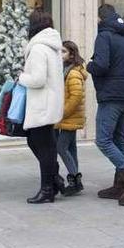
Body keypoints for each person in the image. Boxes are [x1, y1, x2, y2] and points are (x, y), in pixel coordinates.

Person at [87, 4, 124, 205]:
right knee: (120, 140)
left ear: (100, 18)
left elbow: (101, 65)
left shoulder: (104, 36)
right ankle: (120, 185)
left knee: (103, 140)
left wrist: (89, 65)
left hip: (111, 95)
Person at [19, 11, 66, 204]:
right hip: (49, 103)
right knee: (42, 144)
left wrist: (21, 77)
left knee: (43, 146)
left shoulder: (39, 48)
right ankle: (54, 180)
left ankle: (48, 188)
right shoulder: (52, 47)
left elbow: (38, 79)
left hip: (41, 104)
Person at [57, 40, 87, 196]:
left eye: (63, 51)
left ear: (71, 54)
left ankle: (75, 179)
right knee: (71, 147)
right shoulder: (65, 70)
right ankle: (76, 180)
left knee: (60, 147)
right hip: (69, 117)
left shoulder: (73, 72)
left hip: (70, 116)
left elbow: (76, 97)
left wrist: (61, 113)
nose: (60, 54)